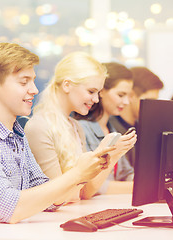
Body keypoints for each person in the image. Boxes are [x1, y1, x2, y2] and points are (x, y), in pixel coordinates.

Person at [0, 43, 114, 239]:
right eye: (24, 82)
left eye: (33, 81)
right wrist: (76, 174)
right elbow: (8, 209)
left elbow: (50, 196)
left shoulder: (16, 134)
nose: (34, 89)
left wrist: (83, 173)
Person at [25, 53, 136, 201]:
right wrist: (99, 155)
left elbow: (85, 193)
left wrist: (111, 155)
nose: (96, 99)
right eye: (91, 91)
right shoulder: (39, 127)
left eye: (98, 93)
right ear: (67, 85)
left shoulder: (76, 127)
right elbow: (56, 199)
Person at [74, 62, 137, 194]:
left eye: (128, 96)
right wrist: (142, 188)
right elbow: (91, 186)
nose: (126, 102)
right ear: (101, 91)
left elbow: (126, 174)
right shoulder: (82, 129)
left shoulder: (112, 129)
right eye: (121, 95)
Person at [110, 66, 164, 167]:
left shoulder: (144, 128)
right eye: (150, 101)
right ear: (132, 95)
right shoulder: (111, 129)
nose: (154, 107)